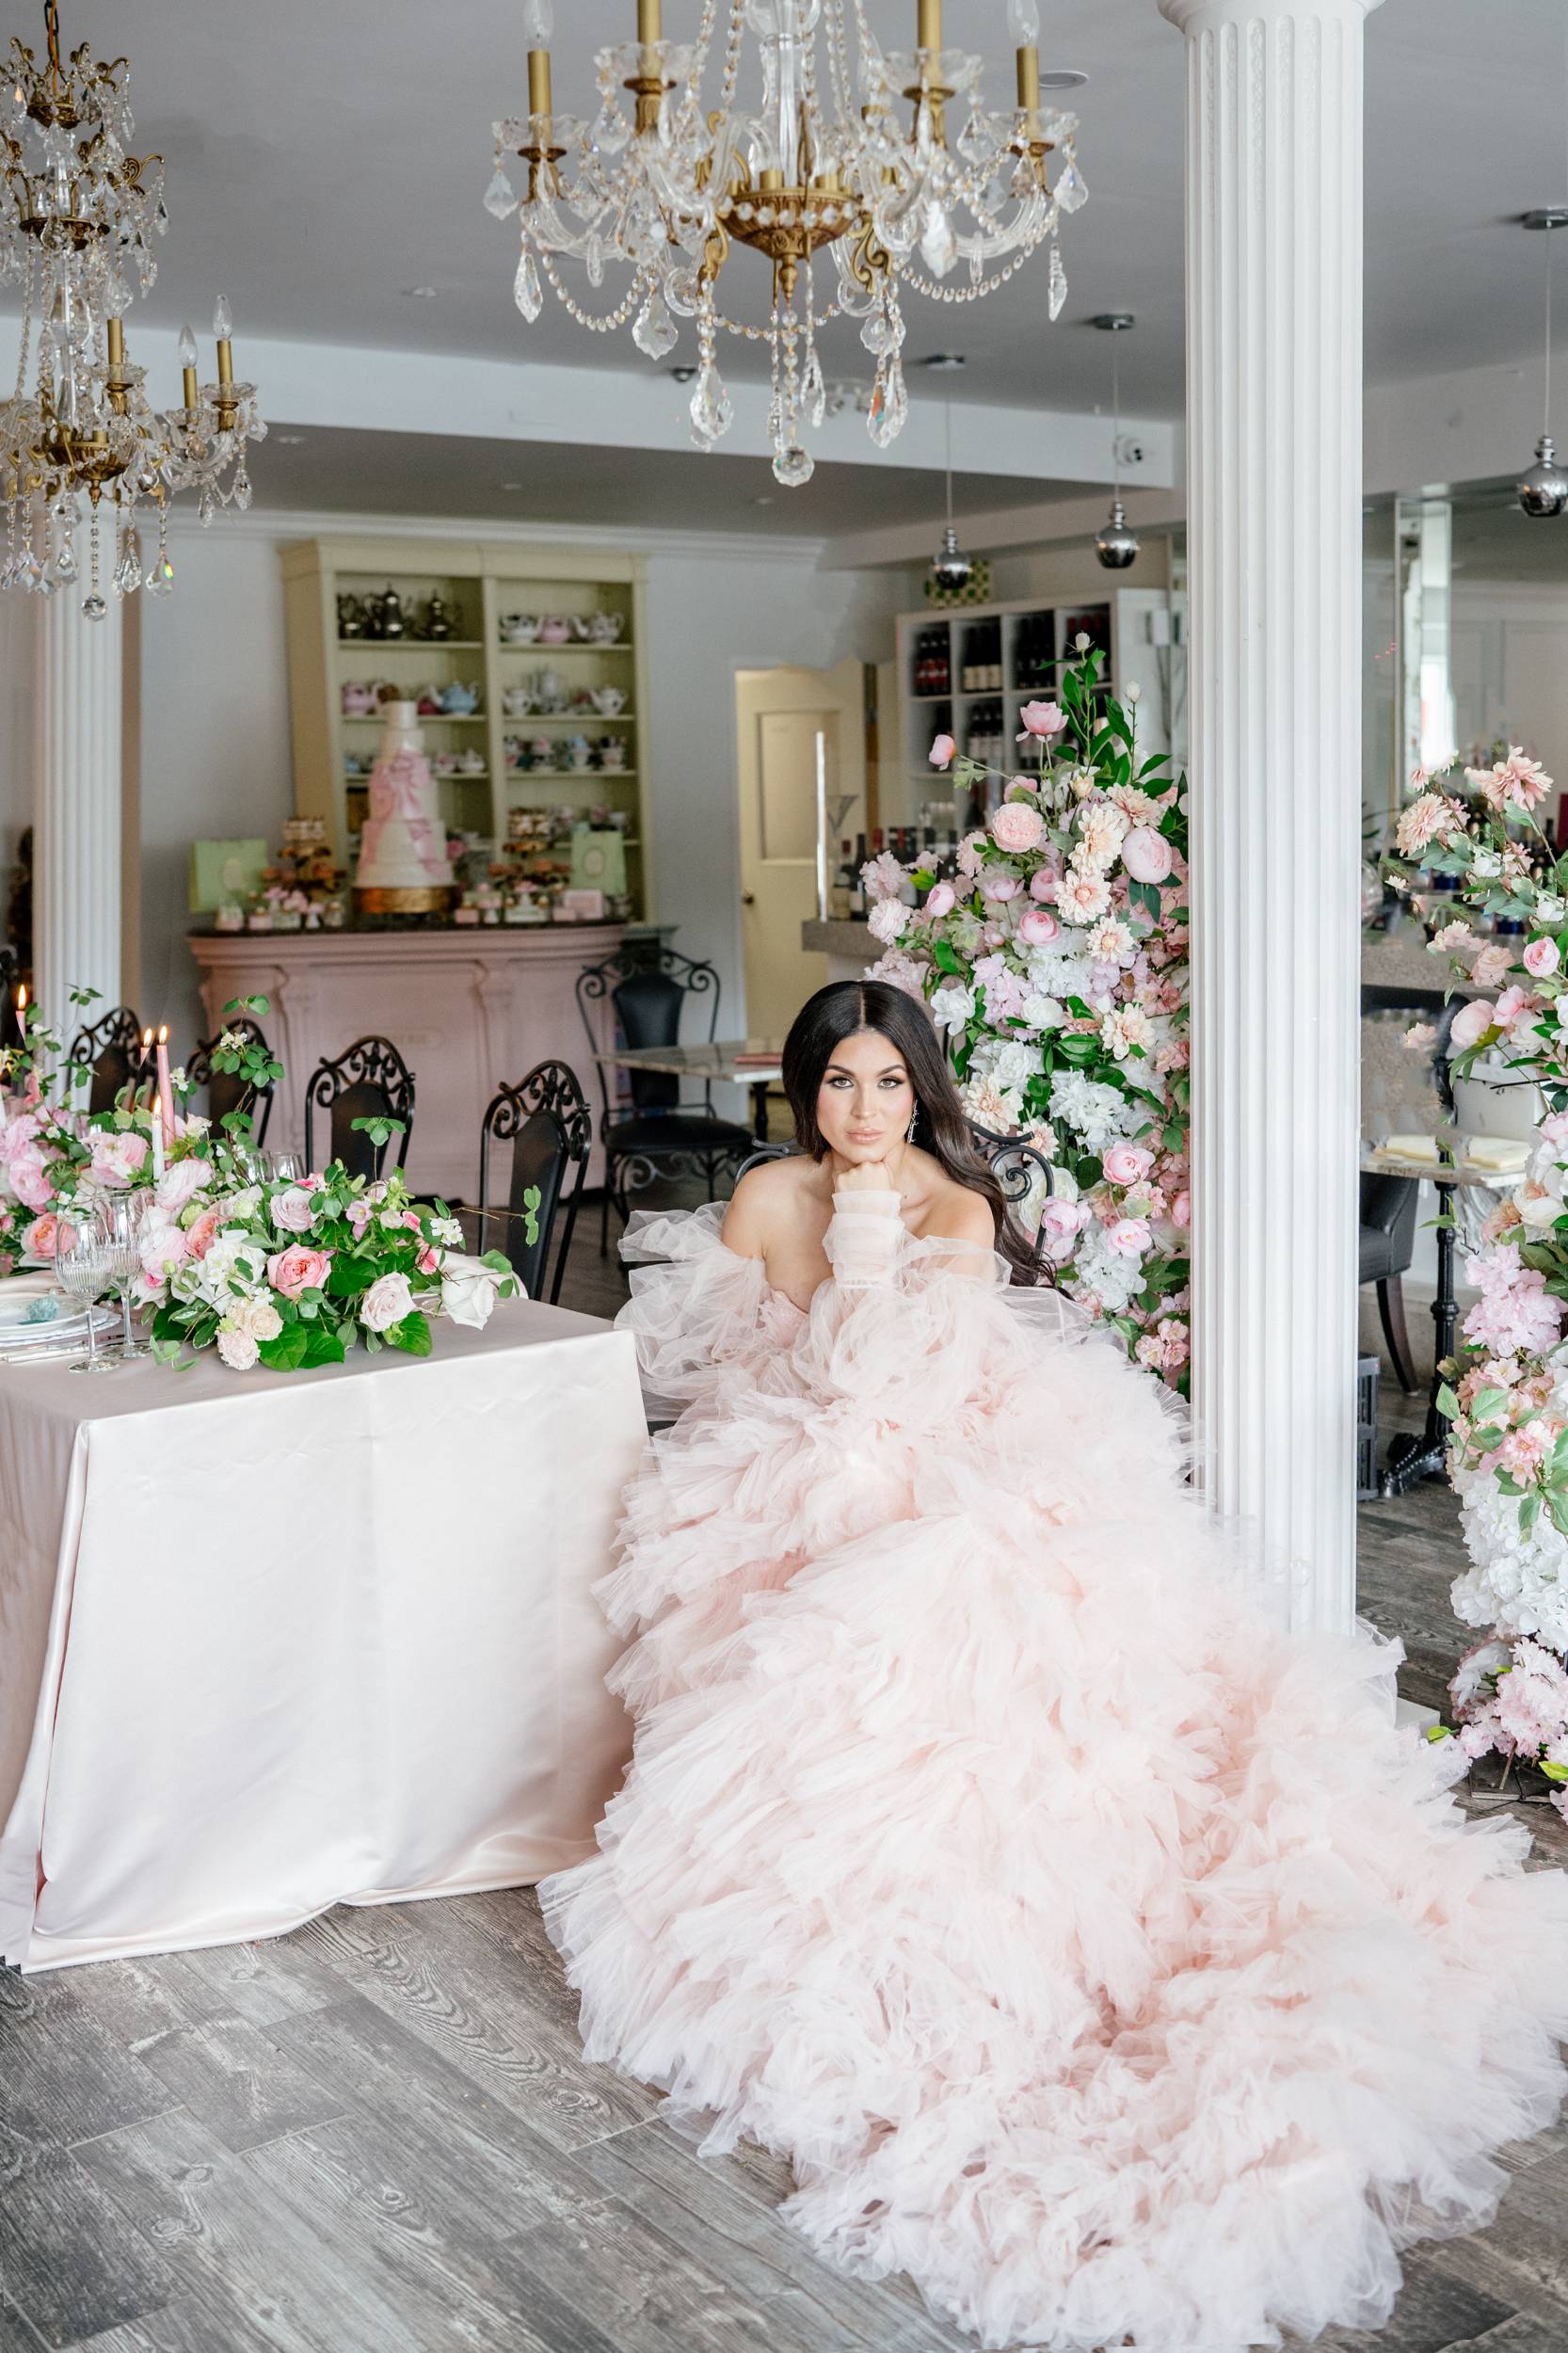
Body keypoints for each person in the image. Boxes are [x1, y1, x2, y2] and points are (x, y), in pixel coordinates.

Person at [540, 979, 1568, 2353]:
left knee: (929, 1594)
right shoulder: (763, 1194)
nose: (863, 1111)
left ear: (922, 1090)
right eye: (839, 1083)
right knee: (776, 1586)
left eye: (890, 1085)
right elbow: (716, 1365)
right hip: (794, 1449)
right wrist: (790, 1309)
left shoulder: (950, 1209)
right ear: (802, 1087)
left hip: (931, 1445)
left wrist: (864, 1237)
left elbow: (894, 1379)